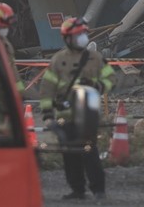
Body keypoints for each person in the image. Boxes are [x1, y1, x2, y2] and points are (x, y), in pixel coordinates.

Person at [39, 16, 115, 201]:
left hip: (87, 115)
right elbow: (47, 89)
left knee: (90, 152)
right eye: (78, 34)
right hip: (65, 116)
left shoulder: (95, 58)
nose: (82, 37)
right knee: (69, 155)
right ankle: (77, 190)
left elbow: (111, 79)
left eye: (83, 34)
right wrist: (48, 115)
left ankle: (99, 190)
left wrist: (96, 86)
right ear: (67, 38)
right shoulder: (58, 60)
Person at [0, 2, 24, 92]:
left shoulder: (3, 41)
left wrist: (19, 89)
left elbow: (11, 64)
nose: (5, 29)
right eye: (2, 27)